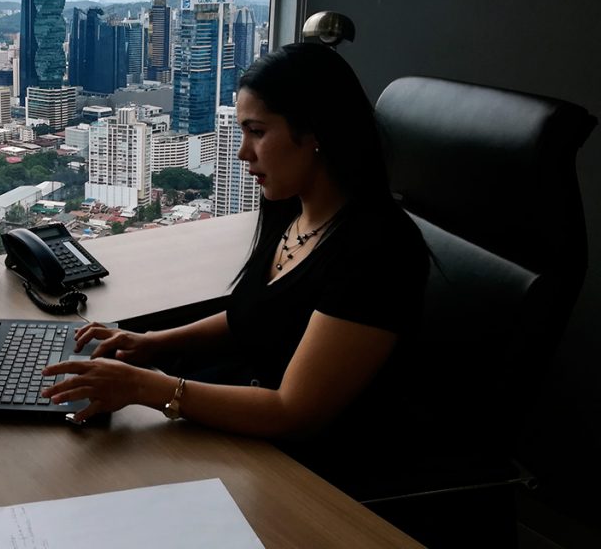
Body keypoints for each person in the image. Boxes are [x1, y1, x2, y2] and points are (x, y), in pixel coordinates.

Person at [41, 43, 429, 476]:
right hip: (247, 421)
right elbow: (259, 314)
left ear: (316, 132)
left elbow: (295, 413)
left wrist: (144, 386)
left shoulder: (378, 249)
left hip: (314, 471)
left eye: (257, 132)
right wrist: (152, 342)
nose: (243, 152)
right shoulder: (292, 209)